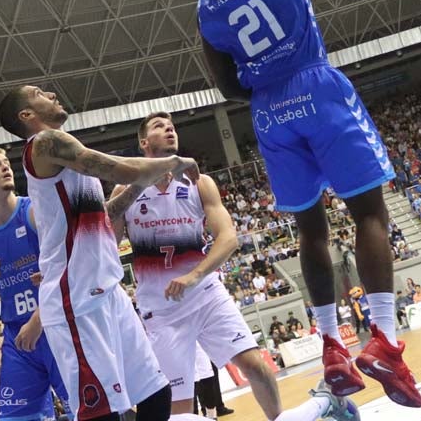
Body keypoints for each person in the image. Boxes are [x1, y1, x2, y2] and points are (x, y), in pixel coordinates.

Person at [178, 0, 420, 407]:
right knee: (369, 212)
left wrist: (264, 84)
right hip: (315, 84)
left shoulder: (205, 11)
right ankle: (385, 340)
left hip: (267, 111)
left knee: (310, 228)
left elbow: (227, 87)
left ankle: (333, 346)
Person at [109, 111, 354, 421]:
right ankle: (322, 403)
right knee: (180, 411)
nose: (169, 129)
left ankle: (284, 415)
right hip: (161, 310)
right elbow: (105, 247)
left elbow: (228, 238)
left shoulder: (199, 183)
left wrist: (194, 276)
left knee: (257, 367)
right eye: (159, 126)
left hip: (206, 296)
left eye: (172, 125)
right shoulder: (125, 191)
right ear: (144, 142)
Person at [0, 84, 203, 421]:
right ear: (26, 115)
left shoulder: (62, 155)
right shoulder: (46, 143)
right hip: (77, 300)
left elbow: (102, 215)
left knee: (156, 394)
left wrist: (141, 184)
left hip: (107, 291)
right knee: (101, 413)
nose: (50, 92)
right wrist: (174, 161)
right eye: (39, 93)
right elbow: (115, 168)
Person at [0, 146, 69, 421]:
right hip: (18, 338)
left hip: (58, 327)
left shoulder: (35, 212)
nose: (6, 167)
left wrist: (39, 318)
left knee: (86, 412)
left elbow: (68, 268)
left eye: (6, 163)